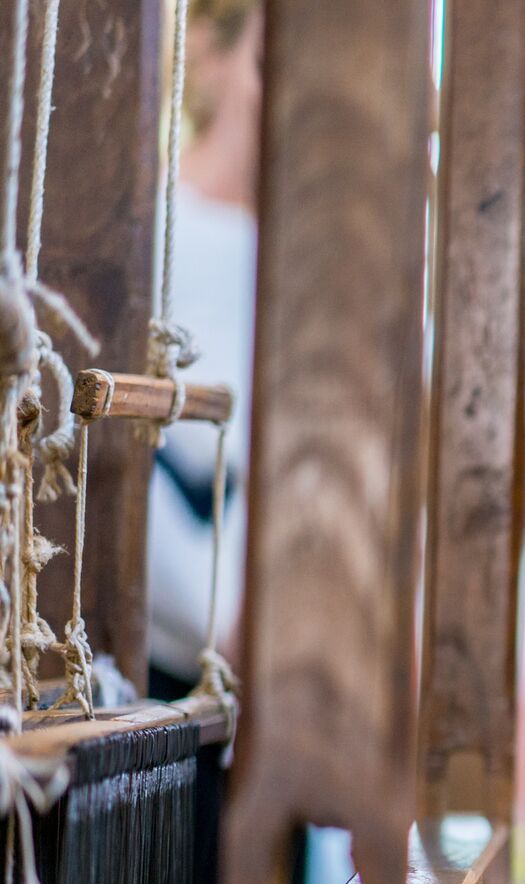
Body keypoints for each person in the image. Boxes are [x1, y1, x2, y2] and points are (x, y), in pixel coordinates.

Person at [146, 0, 260, 699]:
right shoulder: (156, 232)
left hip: (281, 681)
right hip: (165, 669)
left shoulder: (324, 272)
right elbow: (108, 459)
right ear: (215, 59)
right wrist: (227, 619)